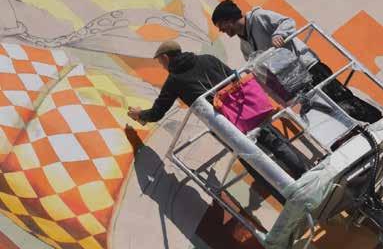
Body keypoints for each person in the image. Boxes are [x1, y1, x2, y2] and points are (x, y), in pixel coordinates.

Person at [128, 40, 307, 184]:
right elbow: (234, 77)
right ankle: (305, 175)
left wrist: (140, 114)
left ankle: (286, 193)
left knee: (252, 159)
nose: (162, 66)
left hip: (225, 124)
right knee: (275, 142)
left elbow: (158, 112)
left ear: (166, 57)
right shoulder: (208, 59)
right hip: (246, 110)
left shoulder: (174, 81)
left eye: (160, 62)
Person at [211, 0, 382, 123]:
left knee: (340, 97)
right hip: (294, 80)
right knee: (326, 109)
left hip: (308, 66)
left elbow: (287, 22)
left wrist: (279, 34)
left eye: (221, 25)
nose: (221, 30)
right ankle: (361, 129)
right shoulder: (244, 45)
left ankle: (376, 120)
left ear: (229, 19)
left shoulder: (259, 17)